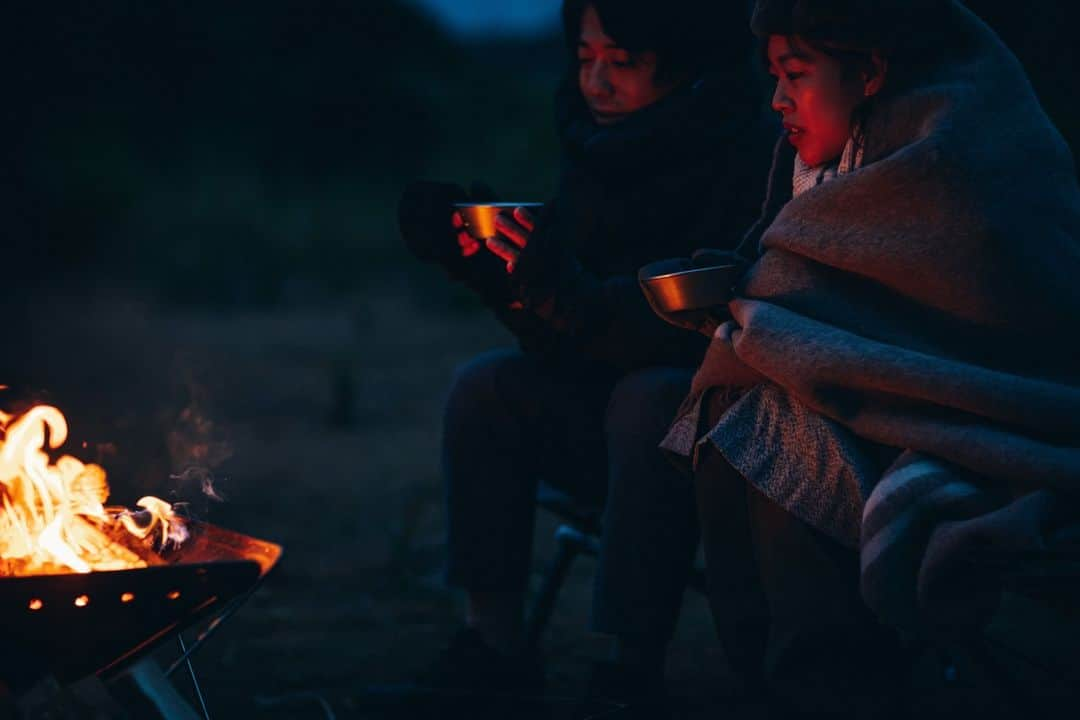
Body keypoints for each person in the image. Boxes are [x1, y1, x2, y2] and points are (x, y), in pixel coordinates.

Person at [650, 0, 1080, 716]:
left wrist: (758, 312)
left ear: (872, 70)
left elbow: (976, 339)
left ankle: (828, 684)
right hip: (879, 416)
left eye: (795, 74)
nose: (778, 99)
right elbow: (811, 290)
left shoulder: (954, 160)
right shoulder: (836, 160)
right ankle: (772, 676)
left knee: (761, 419)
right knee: (739, 409)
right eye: (773, 76)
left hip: (990, 428)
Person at [395, 0, 771, 714]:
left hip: (722, 428)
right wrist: (495, 276)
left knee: (650, 397)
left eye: (622, 62)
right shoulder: (600, 149)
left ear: (685, 63)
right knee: (486, 387)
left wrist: (558, 292)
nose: (597, 80)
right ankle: (493, 643)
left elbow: (689, 327)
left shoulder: (745, 153)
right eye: (585, 57)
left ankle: (630, 663)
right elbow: (566, 336)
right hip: (603, 415)